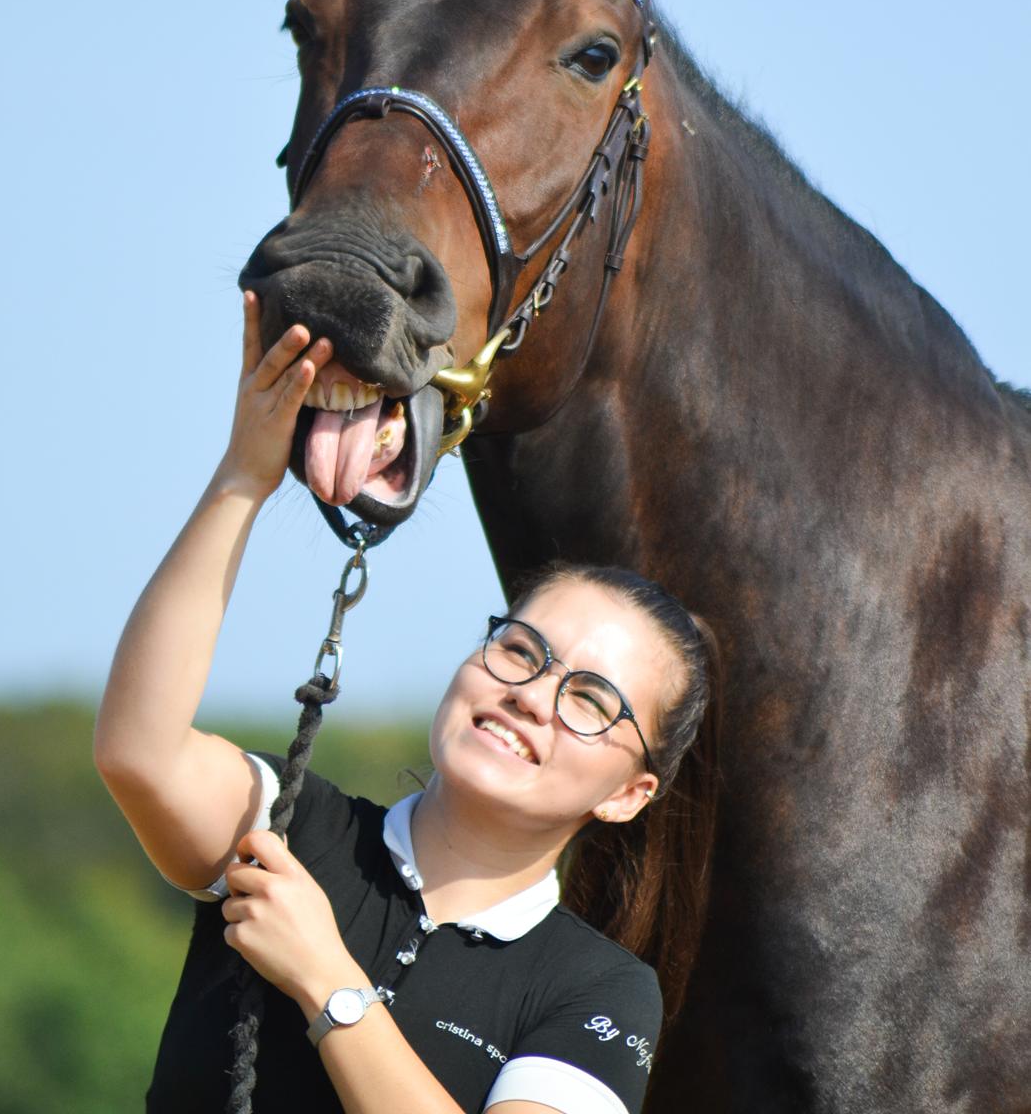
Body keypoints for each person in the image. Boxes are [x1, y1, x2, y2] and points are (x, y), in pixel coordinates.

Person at [94, 294, 720, 1114]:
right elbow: (139, 752)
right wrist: (244, 476)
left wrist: (325, 978)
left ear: (628, 794)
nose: (531, 696)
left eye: (591, 700)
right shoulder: (290, 830)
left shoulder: (600, 994)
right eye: (520, 652)